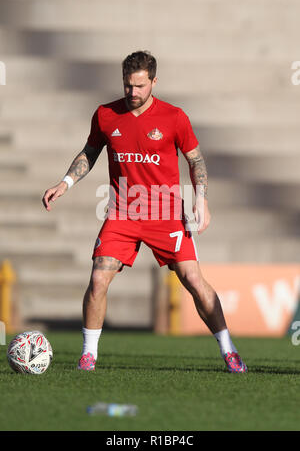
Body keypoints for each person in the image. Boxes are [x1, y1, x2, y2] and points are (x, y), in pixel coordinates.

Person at [42, 51, 247, 373]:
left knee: (193, 280)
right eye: (127, 86)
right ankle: (88, 356)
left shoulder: (174, 117)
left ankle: (229, 350)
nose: (133, 93)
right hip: (122, 213)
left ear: (154, 81)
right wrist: (65, 182)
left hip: (166, 214)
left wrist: (201, 199)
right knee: (98, 279)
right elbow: (90, 152)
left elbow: (196, 160)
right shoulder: (106, 114)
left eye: (139, 86)